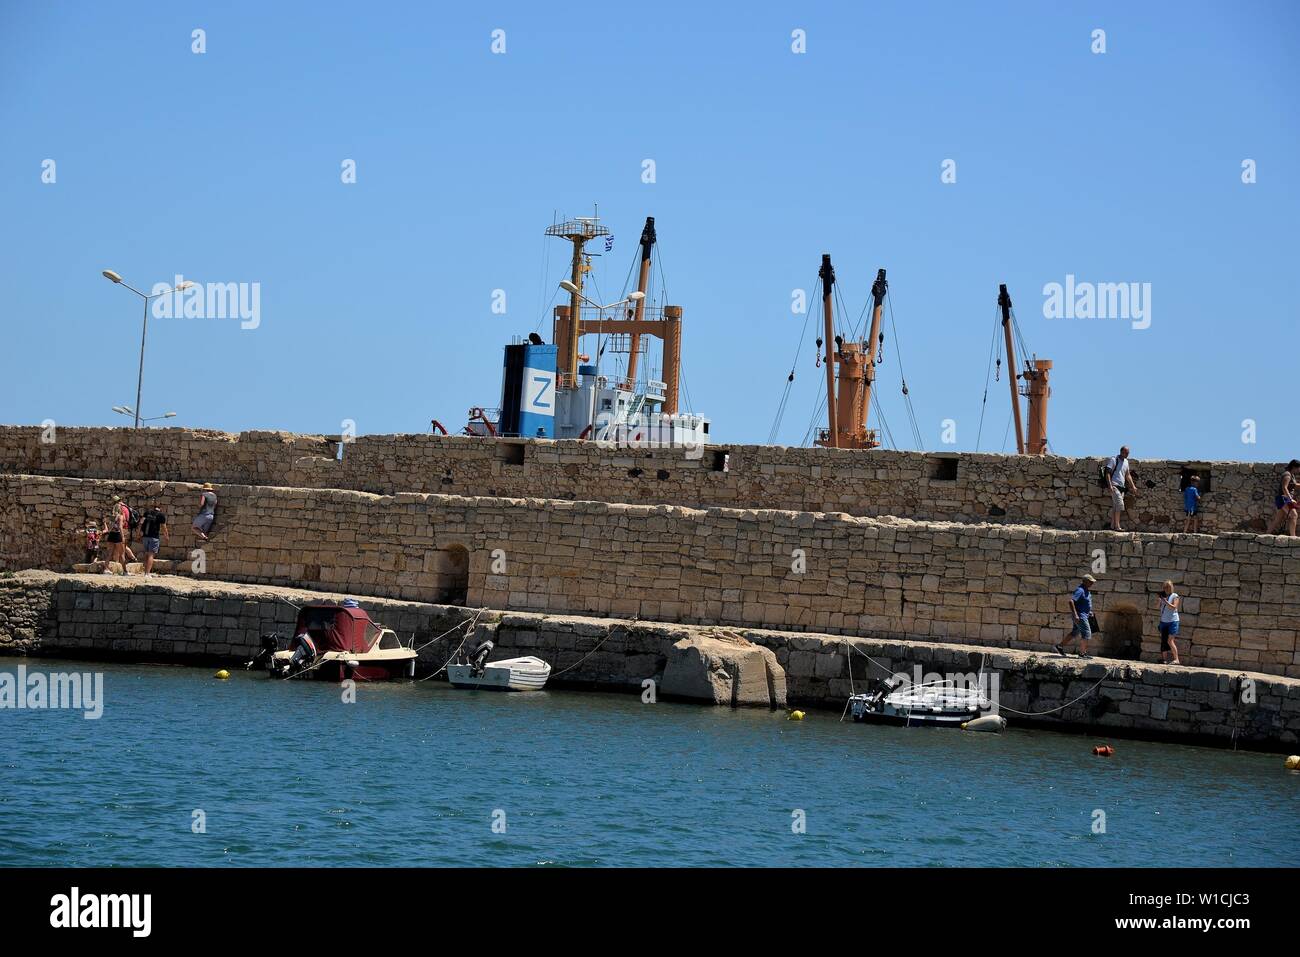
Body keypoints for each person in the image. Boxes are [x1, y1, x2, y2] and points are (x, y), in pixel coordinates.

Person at [1054, 573, 1097, 659]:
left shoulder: (1086, 590)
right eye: (1090, 581)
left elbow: (1083, 604)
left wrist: (1089, 612)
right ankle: (1082, 654)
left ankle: (1059, 646)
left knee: (1075, 632)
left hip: (1084, 615)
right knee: (1087, 633)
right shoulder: (1080, 590)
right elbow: (1071, 601)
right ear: (1085, 581)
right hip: (1080, 616)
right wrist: (1076, 615)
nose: (1092, 583)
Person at [1104, 446, 1137, 531]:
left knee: (1115, 507)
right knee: (1119, 505)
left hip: (1121, 487)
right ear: (1121, 452)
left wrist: (1132, 485)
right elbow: (1107, 473)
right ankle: (1117, 526)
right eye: (1126, 452)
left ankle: (1112, 526)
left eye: (1128, 453)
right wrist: (1110, 485)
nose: (1127, 454)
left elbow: (1127, 474)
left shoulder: (1126, 462)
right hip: (1114, 485)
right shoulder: (1114, 459)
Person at [1265, 460, 1299, 536]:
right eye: (1299, 468)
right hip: (1284, 499)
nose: (1299, 470)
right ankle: (1293, 537)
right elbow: (1284, 488)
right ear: (1294, 467)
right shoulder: (1287, 475)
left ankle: (1265, 535)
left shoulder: (1291, 475)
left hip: (1284, 499)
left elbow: (1294, 484)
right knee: (1294, 515)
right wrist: (1290, 499)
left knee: (1277, 519)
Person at [138, 503, 169, 576]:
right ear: (160, 508)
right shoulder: (161, 515)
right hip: (154, 537)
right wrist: (166, 536)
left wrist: (138, 533)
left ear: (153, 507)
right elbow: (164, 528)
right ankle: (147, 573)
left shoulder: (147, 513)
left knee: (146, 554)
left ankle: (145, 571)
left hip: (145, 536)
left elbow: (140, 523)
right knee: (151, 555)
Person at [1156, 580, 1182, 665]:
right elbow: (1157, 607)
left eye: (1167, 587)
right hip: (1164, 621)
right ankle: (1164, 660)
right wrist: (1160, 600)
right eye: (1164, 587)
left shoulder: (1175, 596)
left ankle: (1176, 659)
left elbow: (1174, 607)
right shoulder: (1163, 597)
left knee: (1170, 640)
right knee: (1164, 640)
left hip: (1173, 621)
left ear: (1171, 588)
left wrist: (1165, 601)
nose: (1166, 589)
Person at [104, 496, 130, 574]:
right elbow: (120, 527)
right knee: (122, 554)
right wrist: (122, 537)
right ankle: (125, 571)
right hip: (118, 535)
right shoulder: (120, 516)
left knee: (109, 553)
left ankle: (106, 569)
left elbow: (110, 527)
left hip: (111, 534)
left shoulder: (112, 517)